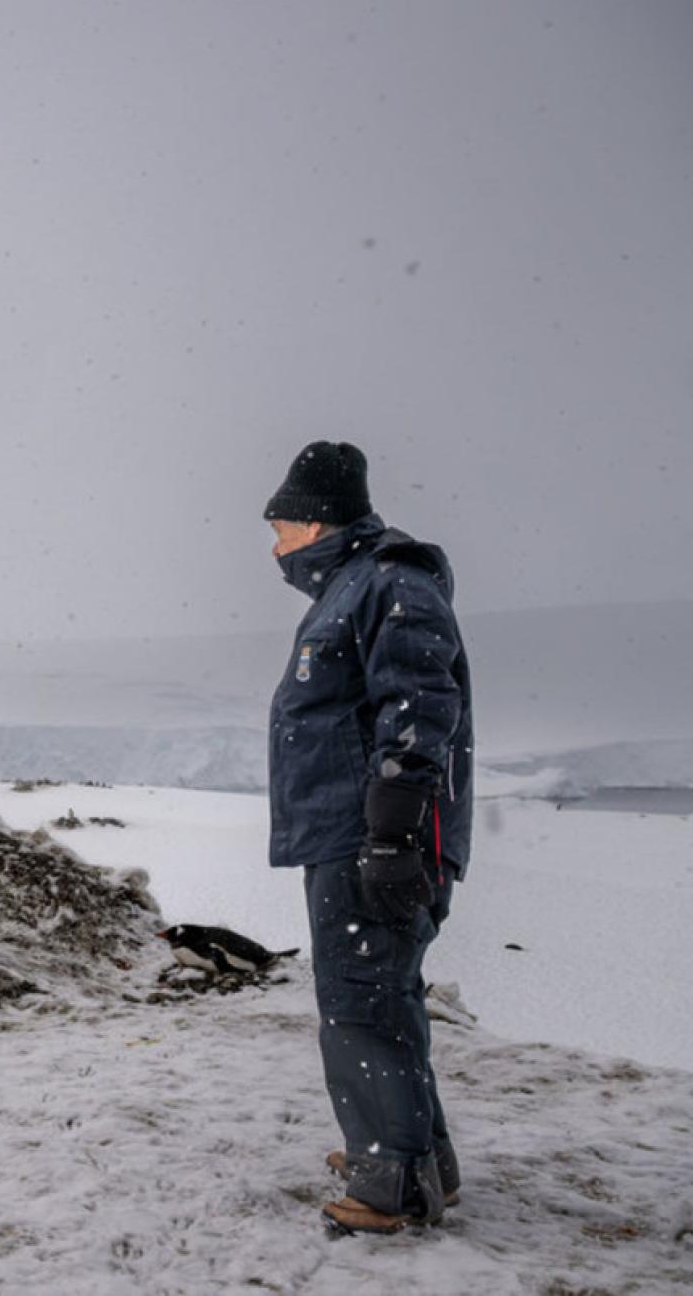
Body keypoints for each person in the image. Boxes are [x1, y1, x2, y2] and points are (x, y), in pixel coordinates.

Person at [263, 440, 473, 1234]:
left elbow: (420, 700)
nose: (275, 545)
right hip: (350, 833)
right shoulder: (357, 588)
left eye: (281, 526)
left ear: (316, 522)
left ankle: (389, 1180)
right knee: (382, 994)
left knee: (361, 998)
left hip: (373, 837)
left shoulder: (390, 581)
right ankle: (421, 1161)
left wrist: (392, 832)